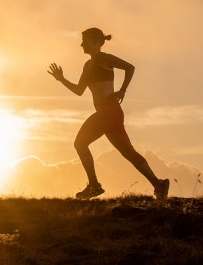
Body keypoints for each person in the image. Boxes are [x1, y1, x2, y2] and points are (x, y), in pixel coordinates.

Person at [48, 27, 169, 200]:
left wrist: (122, 90)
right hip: (110, 114)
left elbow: (130, 67)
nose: (82, 44)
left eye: (85, 41)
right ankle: (159, 185)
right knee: (127, 152)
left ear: (97, 42)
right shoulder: (88, 65)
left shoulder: (105, 59)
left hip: (109, 112)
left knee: (80, 143)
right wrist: (61, 79)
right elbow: (79, 90)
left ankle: (94, 186)